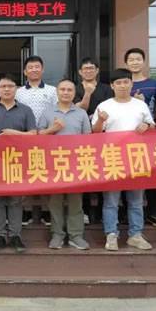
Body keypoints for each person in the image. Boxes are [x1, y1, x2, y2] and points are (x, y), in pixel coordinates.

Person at [92, 68, 155, 251]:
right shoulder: (104, 106)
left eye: (125, 82)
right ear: (112, 86)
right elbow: (95, 132)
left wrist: (147, 125)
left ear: (131, 83)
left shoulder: (140, 105)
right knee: (111, 200)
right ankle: (111, 234)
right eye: (118, 83)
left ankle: (135, 235)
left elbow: (152, 126)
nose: (122, 86)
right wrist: (100, 121)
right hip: (112, 157)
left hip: (136, 158)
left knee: (136, 200)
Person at [0, 74, 37, 253]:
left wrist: (13, 133)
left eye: (10, 86)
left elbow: (33, 134)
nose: (7, 89)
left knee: (15, 199)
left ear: (16, 89)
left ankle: (15, 235)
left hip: (18, 160)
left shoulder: (25, 110)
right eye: (3, 86)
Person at [39, 79, 91, 250]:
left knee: (76, 201)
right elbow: (38, 137)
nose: (66, 92)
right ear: (57, 92)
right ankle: (57, 234)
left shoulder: (81, 113)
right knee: (55, 201)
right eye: (62, 89)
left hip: (76, 163)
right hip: (54, 163)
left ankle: (76, 235)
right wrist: (52, 129)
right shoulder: (47, 112)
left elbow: (89, 140)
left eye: (69, 90)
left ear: (74, 93)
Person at [15, 55, 57, 226]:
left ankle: (46, 212)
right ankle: (25, 211)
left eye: (37, 67)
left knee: (46, 174)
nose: (34, 70)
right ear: (25, 71)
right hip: (25, 137)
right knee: (24, 174)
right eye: (30, 67)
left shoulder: (52, 90)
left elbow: (57, 111)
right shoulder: (18, 91)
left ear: (42, 69)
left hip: (47, 138)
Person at [125, 47, 156, 226]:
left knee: (151, 172)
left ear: (144, 61)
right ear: (126, 63)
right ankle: (128, 212)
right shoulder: (123, 83)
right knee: (128, 173)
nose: (135, 62)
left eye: (138, 59)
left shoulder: (154, 84)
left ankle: (153, 211)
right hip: (126, 137)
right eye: (131, 59)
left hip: (149, 135)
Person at [74, 57, 113, 224]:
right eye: (85, 68)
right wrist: (88, 93)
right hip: (81, 138)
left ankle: (102, 212)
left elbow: (111, 108)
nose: (88, 71)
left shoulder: (106, 89)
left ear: (97, 70)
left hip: (104, 137)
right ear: (80, 72)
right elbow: (79, 108)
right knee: (84, 173)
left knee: (103, 174)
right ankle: (84, 211)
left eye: (91, 68)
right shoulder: (74, 88)